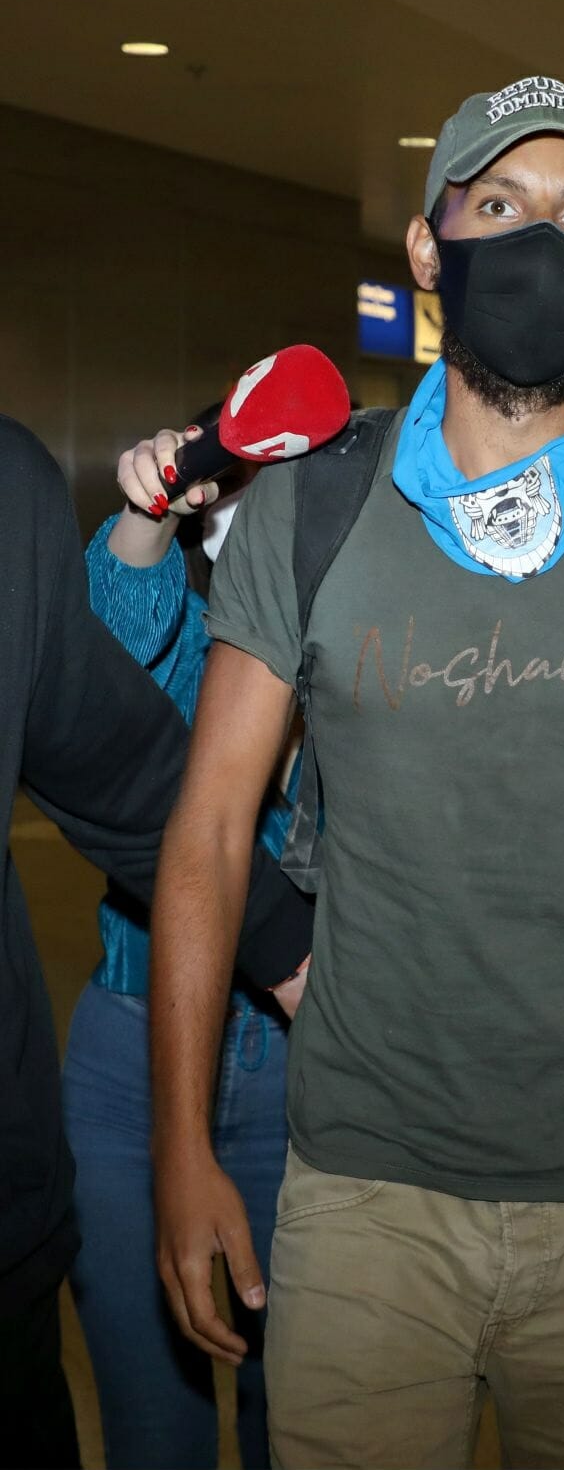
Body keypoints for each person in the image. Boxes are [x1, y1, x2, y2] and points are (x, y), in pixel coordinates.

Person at [150, 74, 564, 1470]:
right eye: (497, 206)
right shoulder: (312, 507)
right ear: (427, 250)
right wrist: (181, 1150)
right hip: (363, 1191)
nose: (539, 241)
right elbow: (206, 833)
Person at [0, 415, 312, 1469]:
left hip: (307, 1068)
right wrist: (146, 521)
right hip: (128, 1060)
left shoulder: (375, 649)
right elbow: (94, 670)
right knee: (150, 1429)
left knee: (300, 1424)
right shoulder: (194, 628)